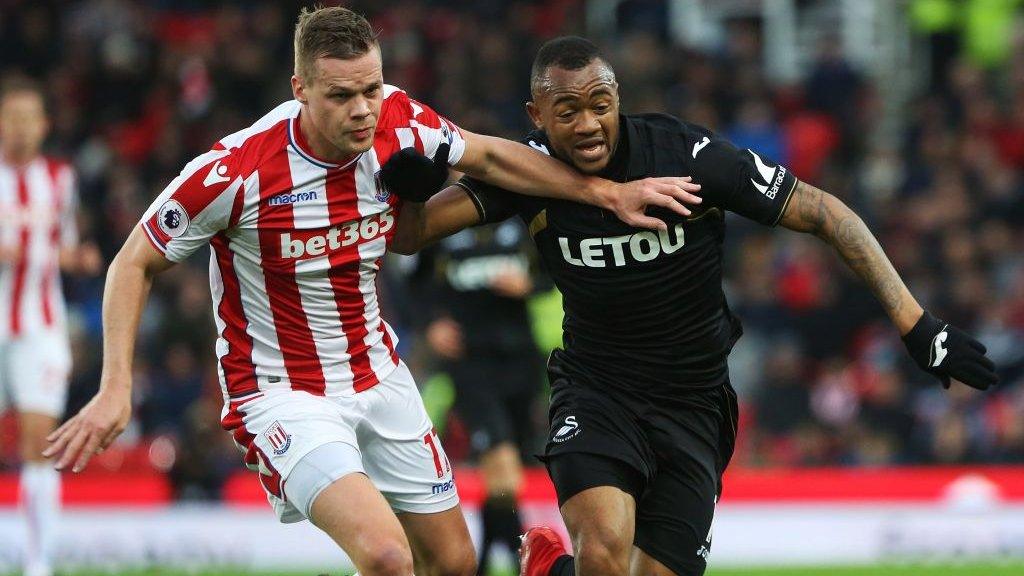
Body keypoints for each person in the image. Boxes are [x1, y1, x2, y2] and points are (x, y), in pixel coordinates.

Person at [41, 9, 701, 576]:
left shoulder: (402, 122)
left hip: (378, 373)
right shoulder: (235, 170)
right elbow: (132, 261)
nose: (361, 109)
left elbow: (494, 158)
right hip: (279, 391)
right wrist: (115, 385)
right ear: (300, 88)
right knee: (387, 557)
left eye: (371, 88)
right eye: (339, 95)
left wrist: (606, 191)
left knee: (453, 561)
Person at [382, 36, 999, 576]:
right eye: (566, 111)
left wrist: (917, 325)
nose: (589, 125)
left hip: (694, 402)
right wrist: (409, 188)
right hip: (598, 391)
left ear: (618, 98)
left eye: (601, 104)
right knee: (605, 552)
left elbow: (825, 212)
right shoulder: (529, 172)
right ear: (536, 114)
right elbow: (411, 235)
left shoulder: (687, 155)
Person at [0, 78, 101, 576]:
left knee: (39, 441)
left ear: (42, 126)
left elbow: (62, 242)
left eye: (28, 119)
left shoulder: (59, 180)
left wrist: (77, 257)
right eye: (10, 118)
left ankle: (38, 563)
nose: (19, 128)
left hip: (39, 325)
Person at [422, 217, 545, 574]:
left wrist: (530, 284)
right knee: (504, 473)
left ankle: (486, 562)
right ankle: (527, 557)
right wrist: (431, 323)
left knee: (505, 481)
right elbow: (410, 279)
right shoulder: (440, 218)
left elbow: (555, 272)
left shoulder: (521, 219)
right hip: (470, 364)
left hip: (521, 362)